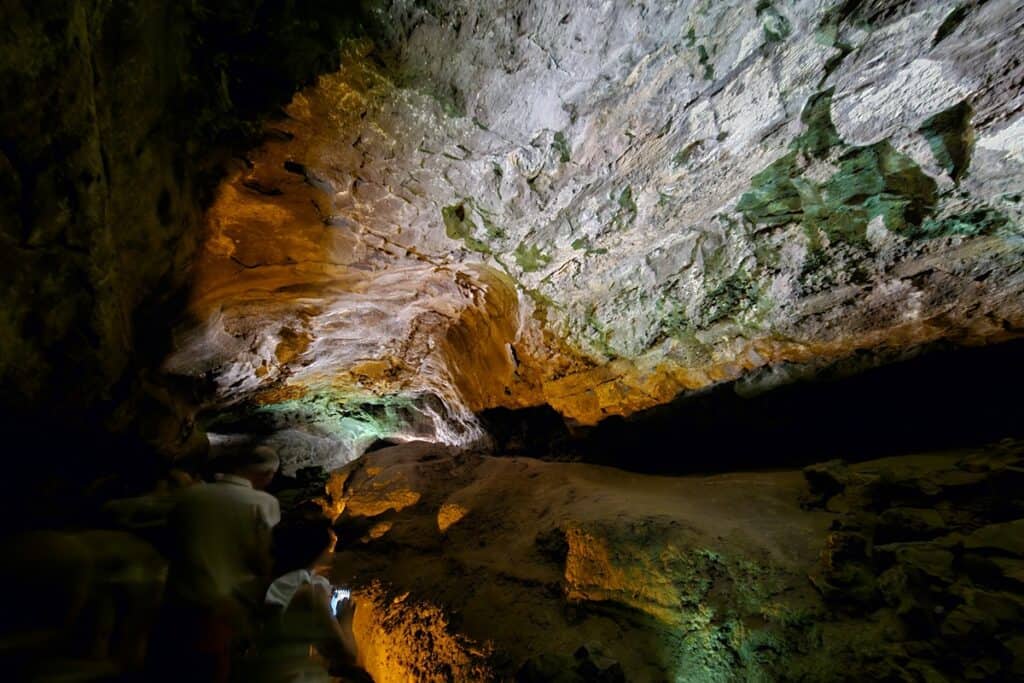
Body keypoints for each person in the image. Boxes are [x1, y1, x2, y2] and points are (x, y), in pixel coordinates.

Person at [151, 446, 282, 682]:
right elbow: (262, 557)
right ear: (267, 474)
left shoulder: (191, 495)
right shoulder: (262, 504)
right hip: (226, 607)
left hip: (175, 602)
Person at [238, 518, 363, 683]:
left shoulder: (267, 583)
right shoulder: (310, 593)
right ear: (316, 551)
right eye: (331, 546)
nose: (333, 553)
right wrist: (345, 619)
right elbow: (346, 656)